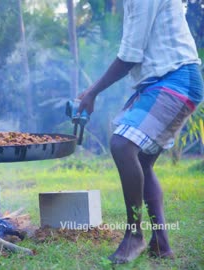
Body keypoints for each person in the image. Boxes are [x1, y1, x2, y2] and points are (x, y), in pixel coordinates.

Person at [78, 0, 203, 264]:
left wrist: (92, 92)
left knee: (122, 144)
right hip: (163, 80)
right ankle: (161, 244)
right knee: (143, 162)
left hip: (175, 79)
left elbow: (129, 56)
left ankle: (134, 236)